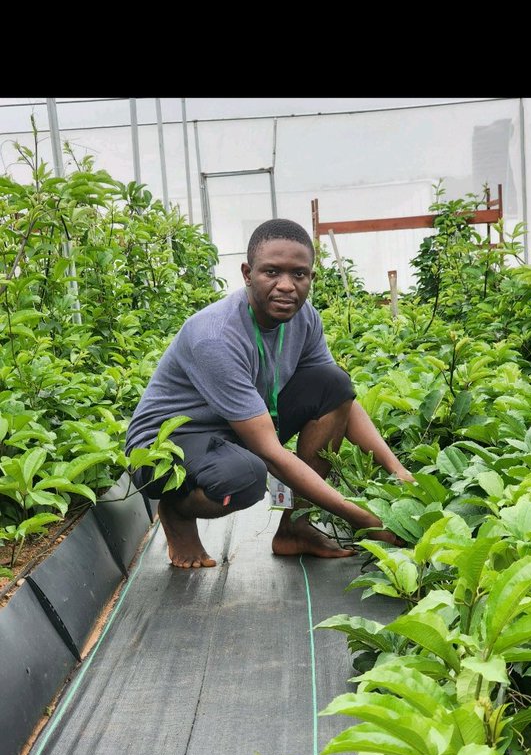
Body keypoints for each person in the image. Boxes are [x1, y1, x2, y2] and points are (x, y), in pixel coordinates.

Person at [125, 218, 414, 569]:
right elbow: (271, 455)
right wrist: (363, 519)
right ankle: (177, 508)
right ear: (247, 273)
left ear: (311, 277)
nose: (286, 286)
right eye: (271, 272)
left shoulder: (305, 319)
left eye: (299, 274)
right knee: (245, 477)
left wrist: (398, 470)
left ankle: (295, 529)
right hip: (169, 442)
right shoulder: (216, 336)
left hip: (238, 425)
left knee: (333, 382)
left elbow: (340, 400)